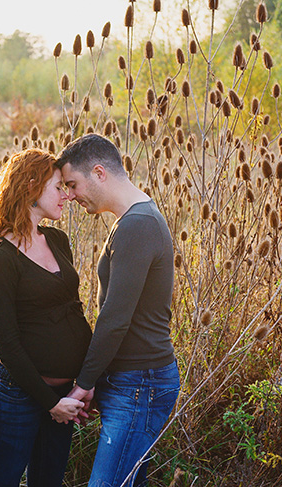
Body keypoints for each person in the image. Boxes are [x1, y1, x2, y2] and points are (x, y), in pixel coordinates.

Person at [55, 133, 180, 487]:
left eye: (73, 184)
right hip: (133, 379)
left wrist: (84, 384)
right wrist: (100, 380)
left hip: (141, 382)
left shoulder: (138, 225)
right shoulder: (133, 220)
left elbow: (114, 319)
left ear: (99, 173)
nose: (71, 195)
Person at [0, 148, 93, 487]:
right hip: (15, 395)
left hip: (64, 397)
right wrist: (51, 403)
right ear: (31, 188)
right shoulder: (1, 259)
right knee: (1, 482)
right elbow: (7, 344)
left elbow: (73, 310)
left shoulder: (57, 239)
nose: (67, 195)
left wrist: (84, 383)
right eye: (58, 187)